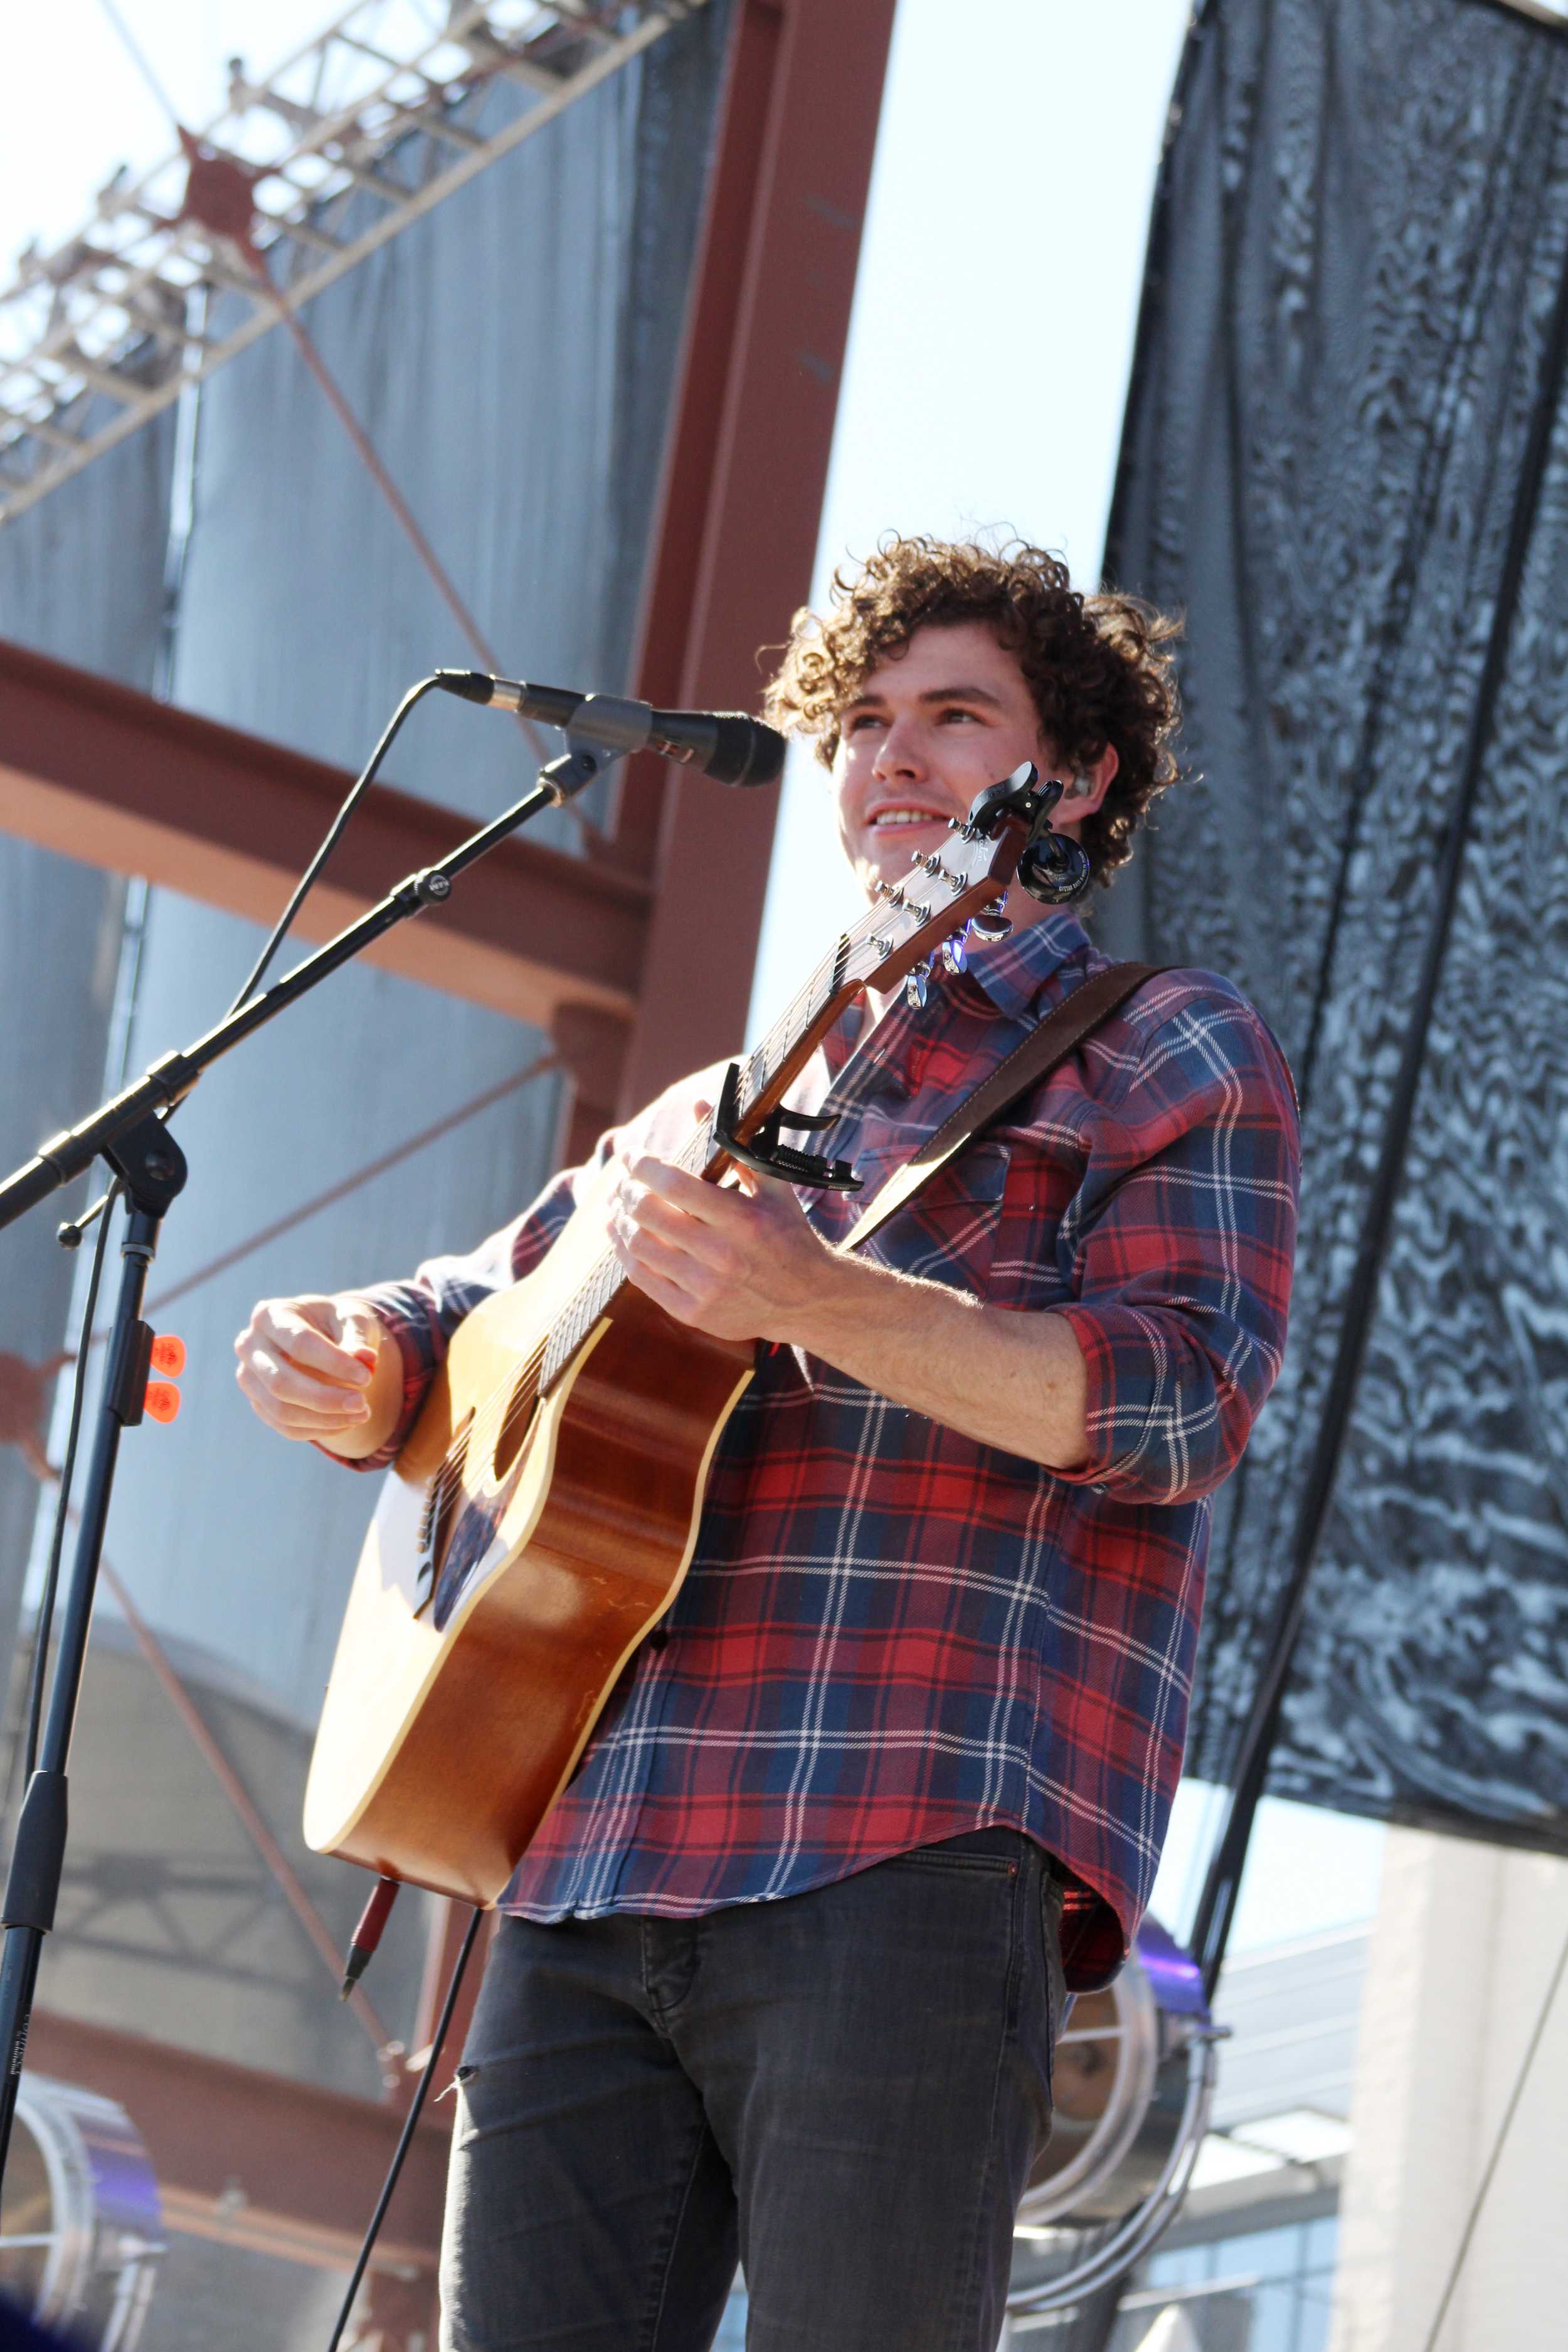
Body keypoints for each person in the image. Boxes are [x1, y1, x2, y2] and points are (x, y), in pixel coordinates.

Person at [236, 538, 1300, 2352]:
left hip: (896, 1833)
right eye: (864, 723)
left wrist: (818, 1297)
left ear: (1077, 777)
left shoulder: (1156, 1043)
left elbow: (1179, 1402)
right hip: (583, 1865)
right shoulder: (716, 1106)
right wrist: (362, 1362)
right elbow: (481, 1311)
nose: (893, 756)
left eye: (954, 716)